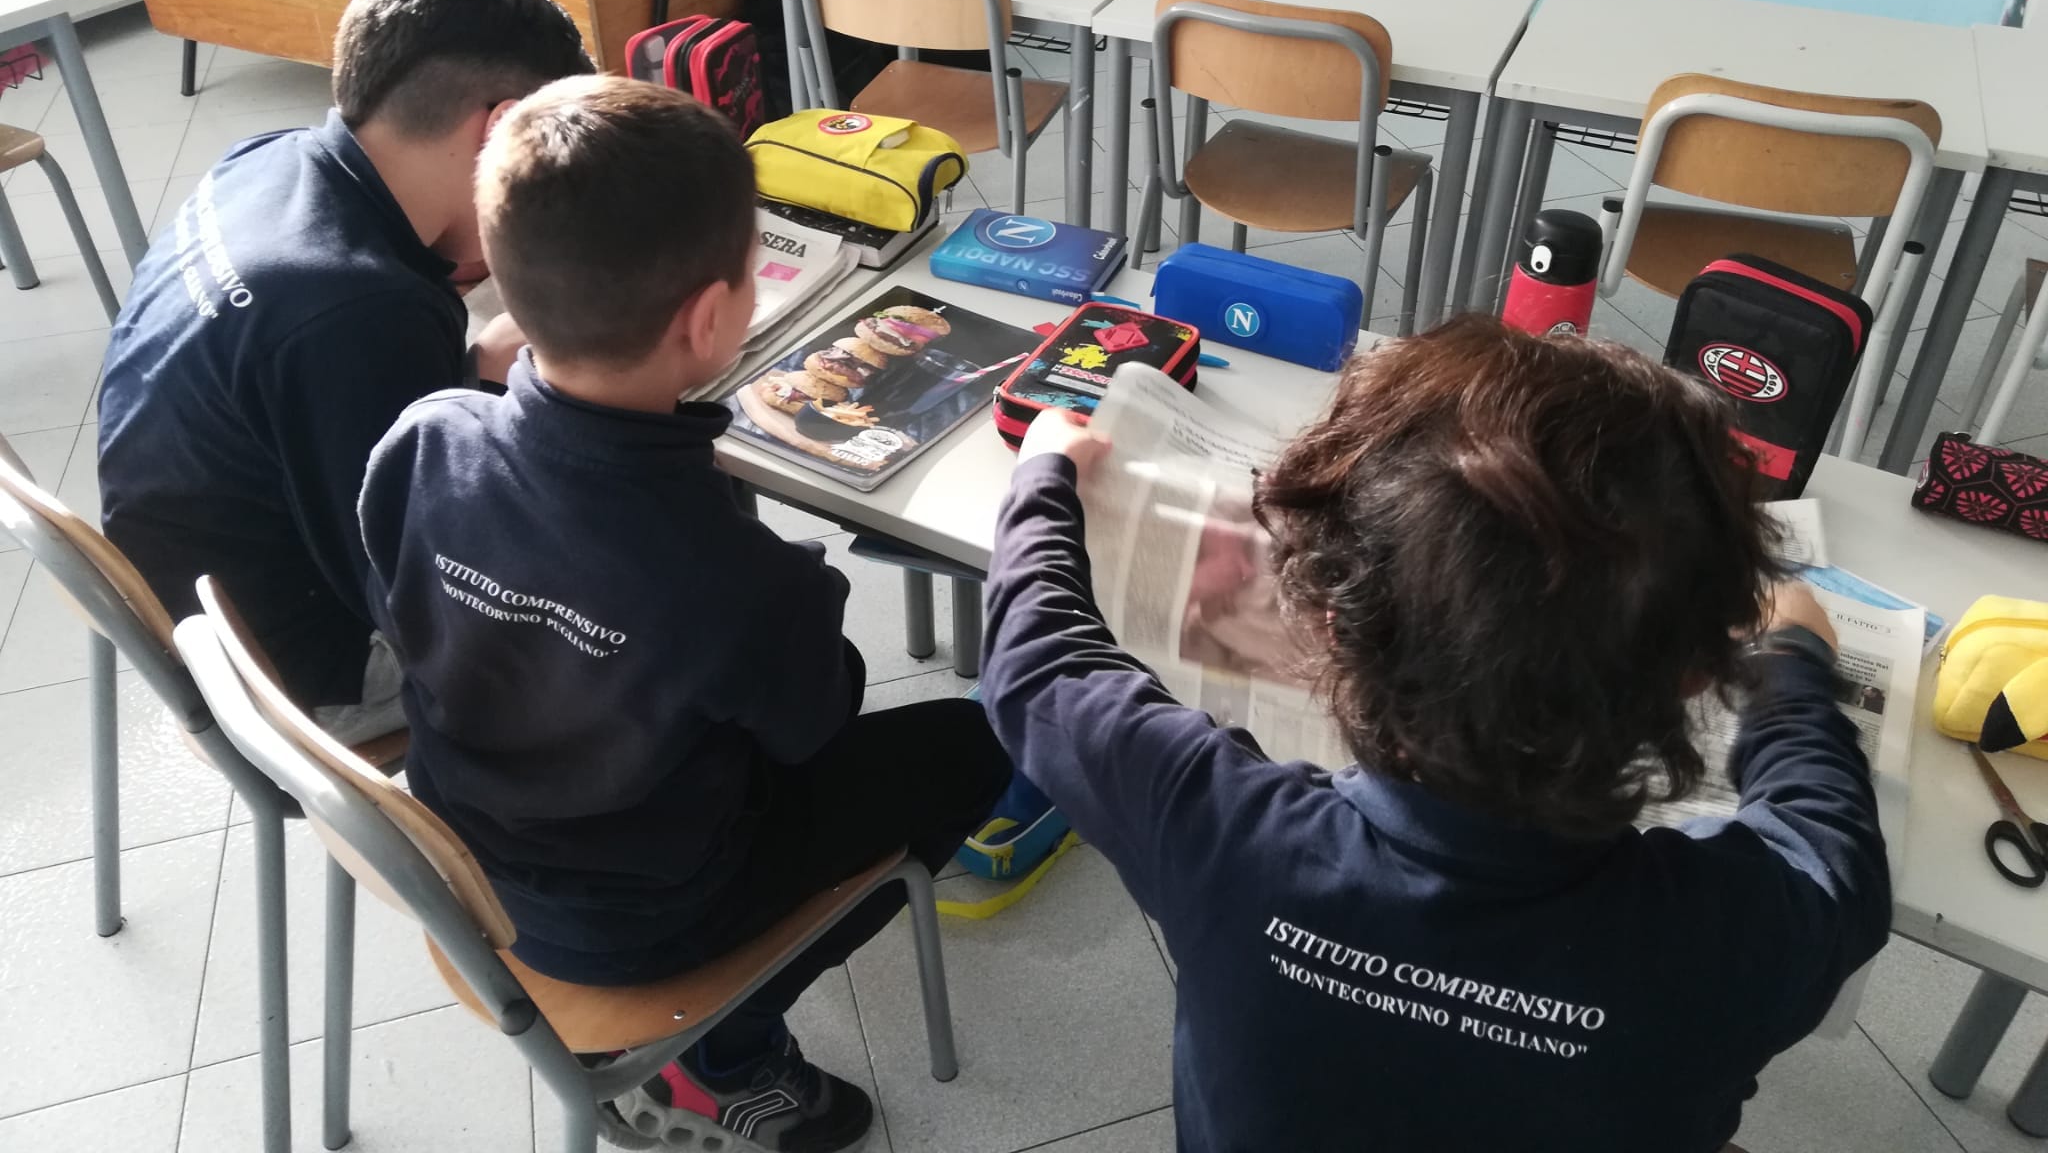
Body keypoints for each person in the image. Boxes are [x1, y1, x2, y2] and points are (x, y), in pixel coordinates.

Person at [980, 318, 1891, 1153]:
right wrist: (1793, 663)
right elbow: (1826, 836)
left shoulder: (1218, 833)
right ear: (1698, 671)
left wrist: (1044, 477)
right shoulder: (1741, 938)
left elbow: (1041, 670)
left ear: (1331, 627)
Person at [357, 76, 1010, 1152]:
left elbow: (408, 605)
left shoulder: (422, 437)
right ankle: (729, 1054)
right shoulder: (737, 579)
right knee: (975, 742)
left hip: (468, 857)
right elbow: (818, 722)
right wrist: (799, 590)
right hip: (642, 922)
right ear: (710, 321)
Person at [98, 0, 590, 739]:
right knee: (644, 615)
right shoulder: (360, 310)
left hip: (207, 598)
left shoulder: (267, 159)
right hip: (307, 674)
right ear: (498, 129)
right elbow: (434, 592)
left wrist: (470, 369)